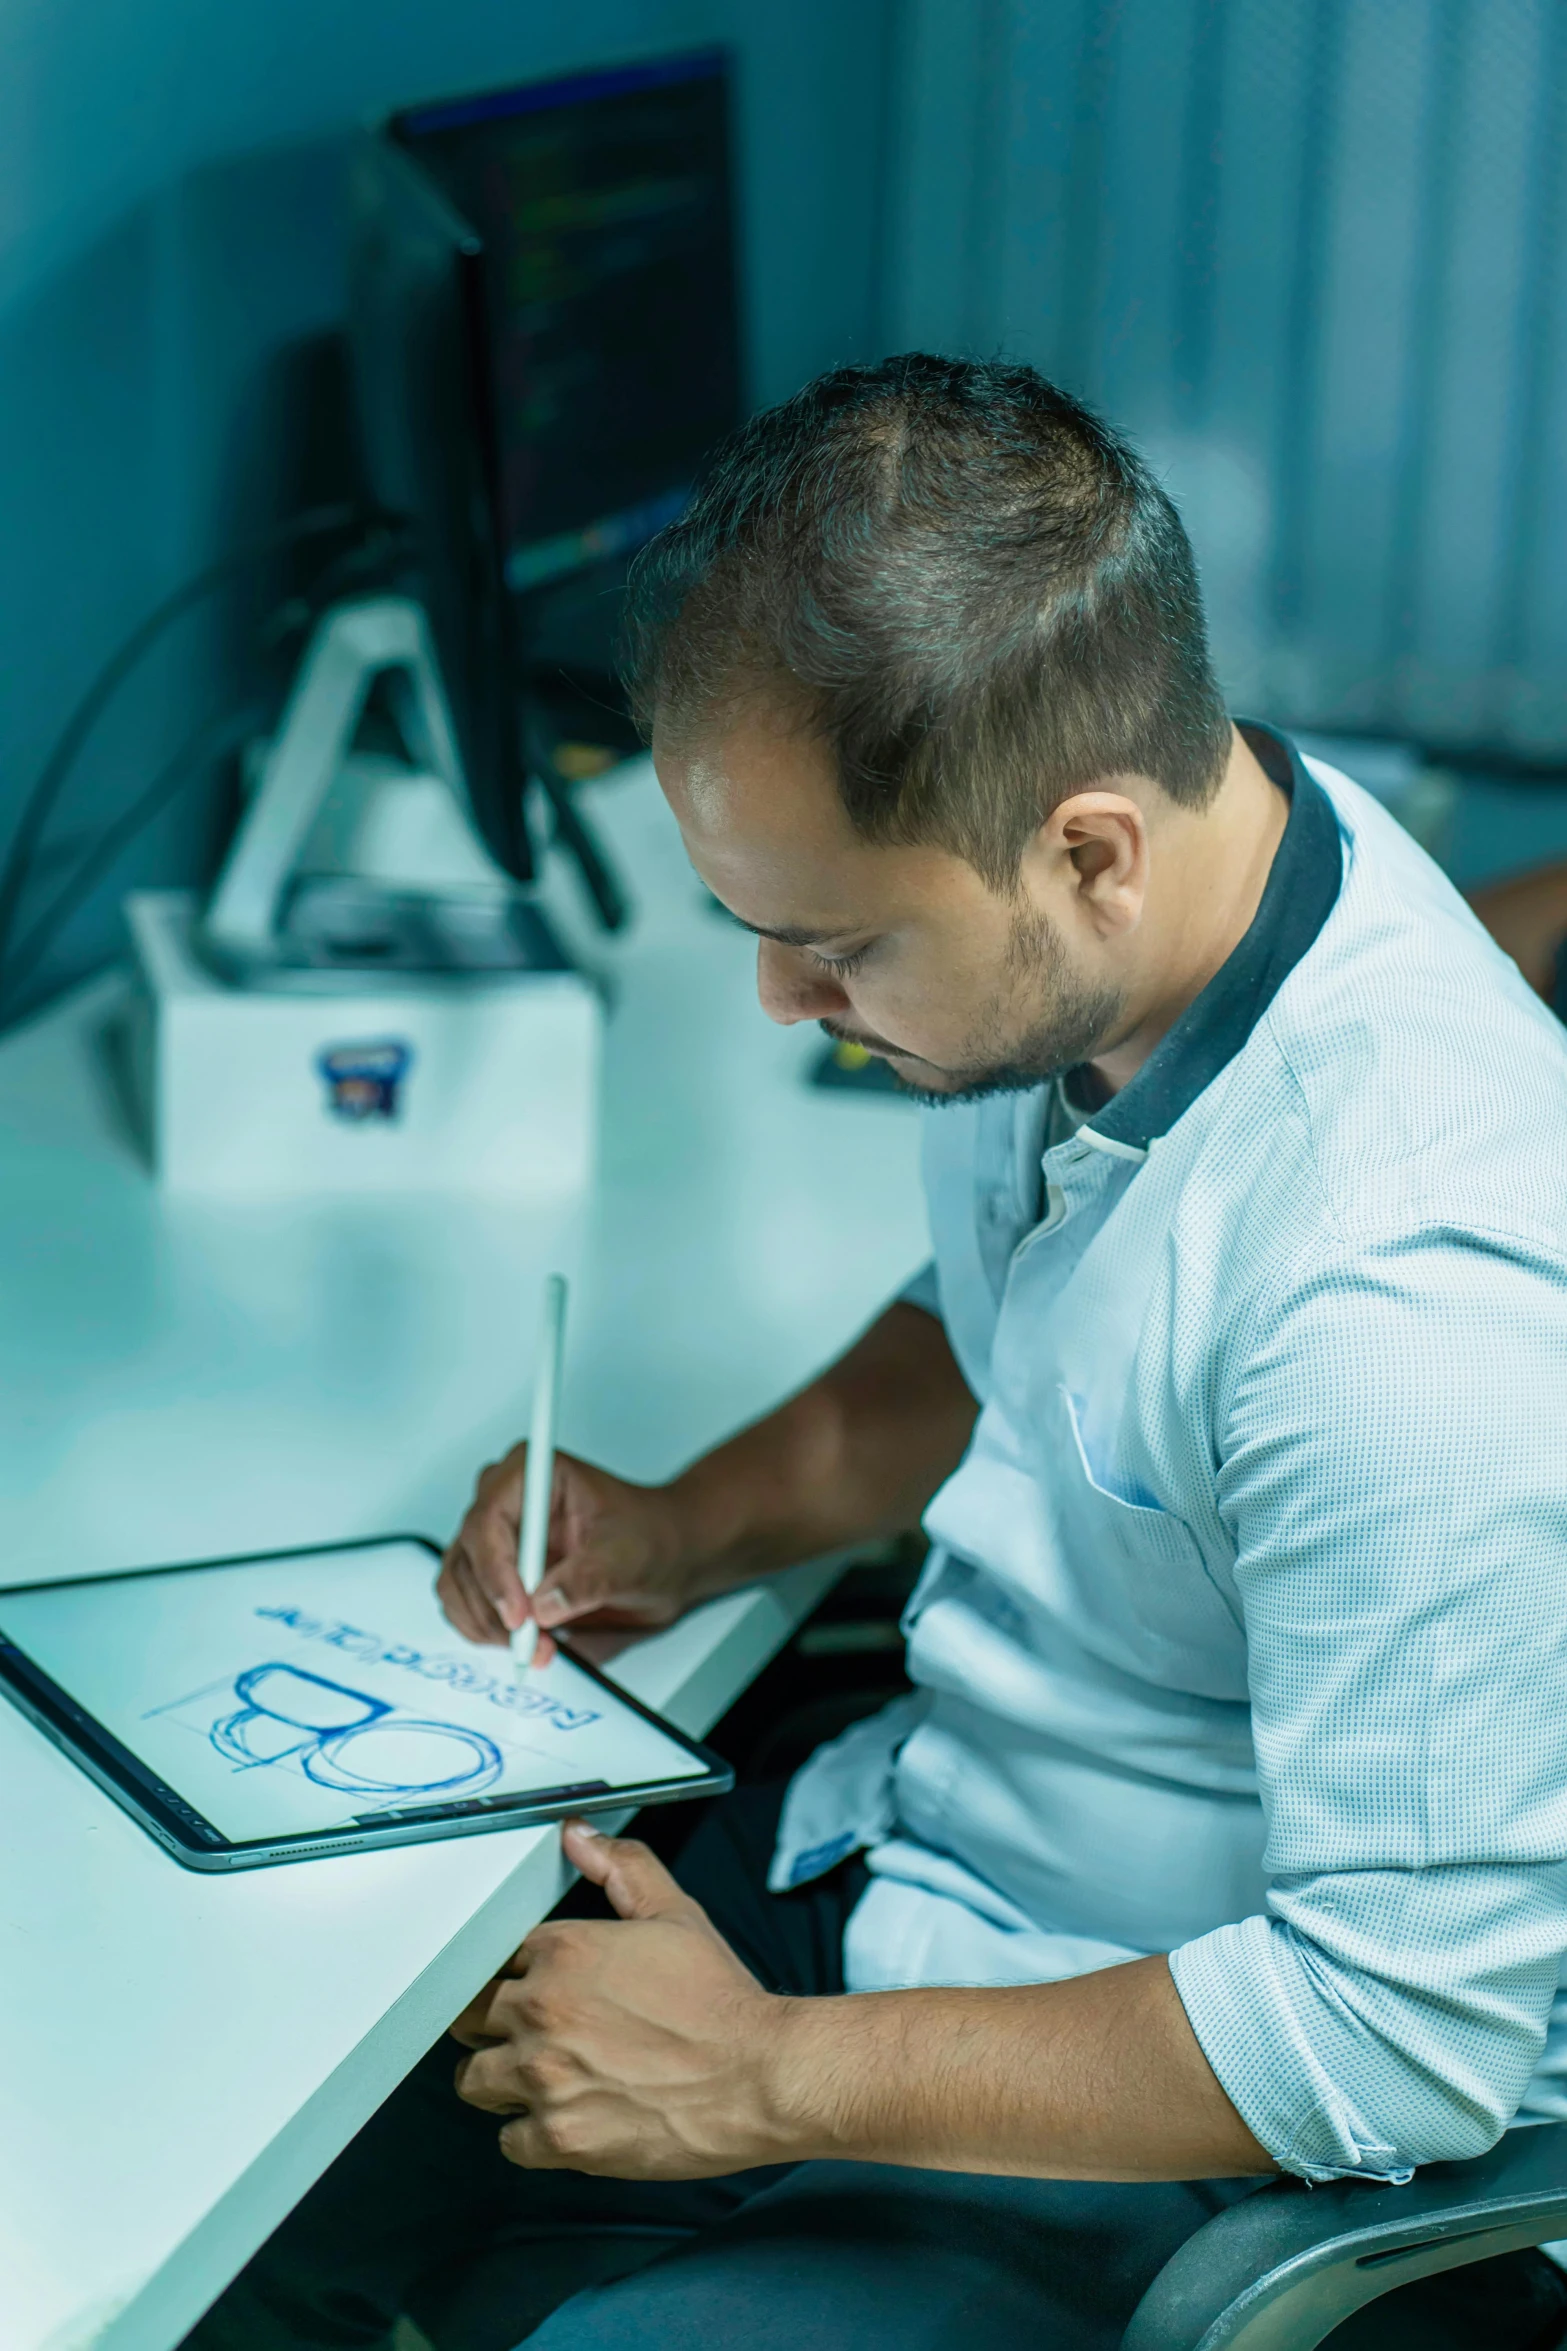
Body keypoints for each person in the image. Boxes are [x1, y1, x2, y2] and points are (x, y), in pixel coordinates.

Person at [188, 356, 1567, 2351]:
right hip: (928, 1862)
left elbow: (1379, 2049)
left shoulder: (1403, 1303)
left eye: (832, 944)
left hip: (1217, 2134)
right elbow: (1008, 1317)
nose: (780, 999)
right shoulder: (1185, 878)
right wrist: (687, 1520)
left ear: (1089, 846)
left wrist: (759, 2074)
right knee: (281, 2119)